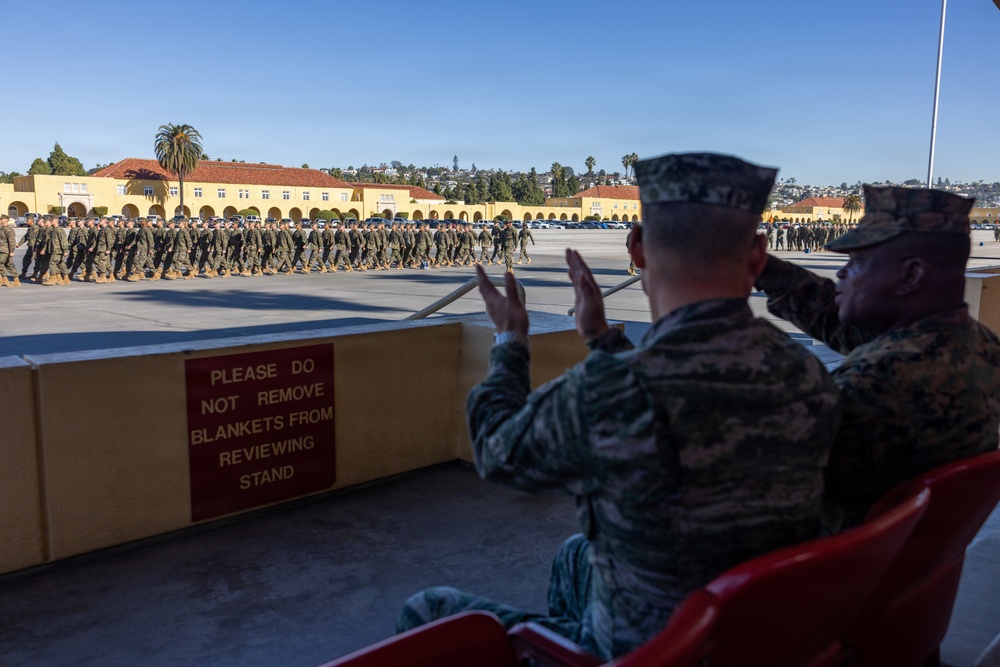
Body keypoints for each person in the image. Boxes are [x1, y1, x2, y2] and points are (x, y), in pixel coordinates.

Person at [396, 152, 841, 660]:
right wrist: (602, 340)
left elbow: (499, 452)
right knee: (575, 554)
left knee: (427, 609)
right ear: (758, 256)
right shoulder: (806, 371)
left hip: (646, 650)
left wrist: (510, 341)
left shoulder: (617, 389)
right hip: (756, 638)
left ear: (637, 249)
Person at [755, 185, 1000, 531]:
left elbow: (754, 474)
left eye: (856, 262)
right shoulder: (977, 346)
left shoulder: (879, 381)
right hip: (902, 551)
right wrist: (765, 269)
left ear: (911, 275)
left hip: (830, 551)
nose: (841, 273)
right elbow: (841, 323)